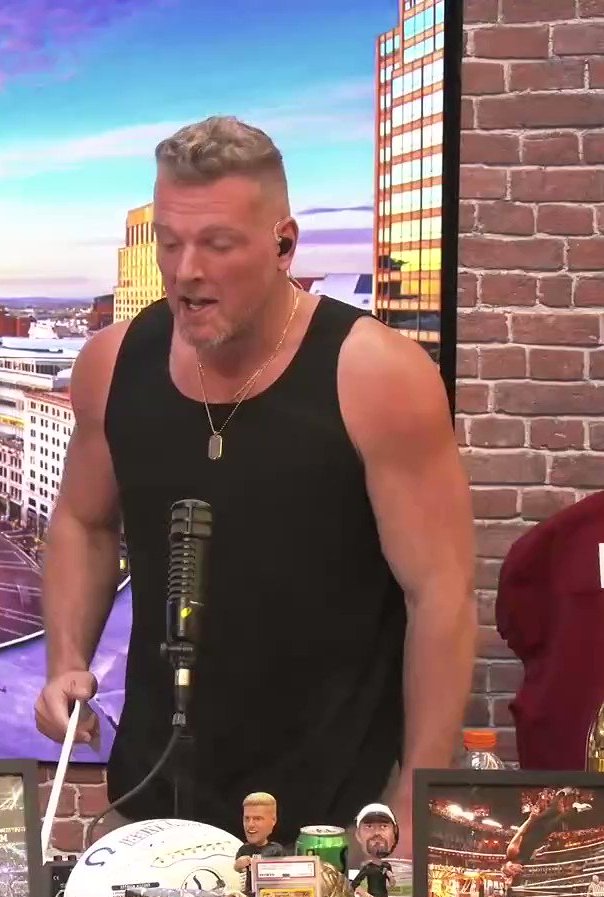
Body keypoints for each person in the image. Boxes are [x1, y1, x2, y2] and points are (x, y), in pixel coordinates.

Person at [34, 116, 474, 851]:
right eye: (169, 243)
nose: (185, 271)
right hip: (153, 798)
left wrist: (413, 798)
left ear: (284, 243)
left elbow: (442, 595)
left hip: (333, 814)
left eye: (217, 244)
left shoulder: (378, 378)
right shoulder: (112, 363)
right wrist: (64, 663)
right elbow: (84, 522)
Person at [233, 791, 286, 897]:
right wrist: (240, 863)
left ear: (273, 821)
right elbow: (237, 868)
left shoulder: (277, 850)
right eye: (247, 818)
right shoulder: (244, 849)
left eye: (257, 819)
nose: (250, 825)